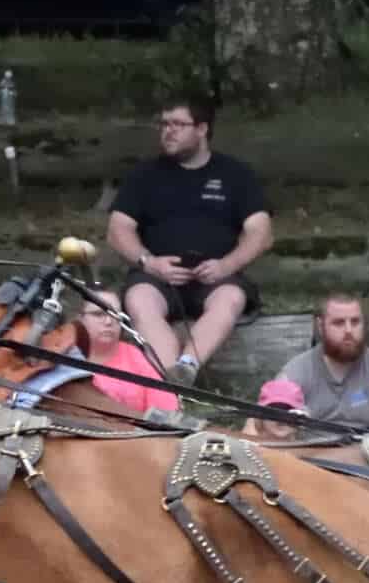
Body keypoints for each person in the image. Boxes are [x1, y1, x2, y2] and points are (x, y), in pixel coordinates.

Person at [107, 96, 273, 386]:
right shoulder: (144, 175)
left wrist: (226, 265)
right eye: (164, 124)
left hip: (215, 276)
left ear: (202, 129)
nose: (167, 131)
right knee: (138, 299)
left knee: (231, 298)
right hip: (157, 275)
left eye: (178, 124)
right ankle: (173, 382)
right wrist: (149, 262)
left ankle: (187, 366)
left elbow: (261, 232)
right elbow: (118, 229)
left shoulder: (236, 174)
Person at [274, 293, 369, 430]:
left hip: (366, 447)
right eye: (339, 323)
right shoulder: (295, 372)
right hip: (309, 448)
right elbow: (259, 428)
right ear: (320, 326)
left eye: (355, 322)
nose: (349, 330)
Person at [71, 299, 180, 419]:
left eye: (116, 314)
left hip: (136, 434)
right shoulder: (62, 354)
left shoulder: (133, 354)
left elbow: (166, 408)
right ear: (80, 318)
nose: (108, 321)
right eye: (98, 314)